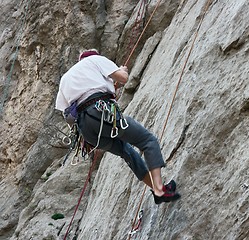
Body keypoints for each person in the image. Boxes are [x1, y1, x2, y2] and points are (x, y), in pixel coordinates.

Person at [55, 49, 180, 204]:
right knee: (147, 141)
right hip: (101, 112)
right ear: (94, 55)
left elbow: (66, 114)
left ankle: (157, 190)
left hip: (86, 129)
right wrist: (121, 71)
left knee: (127, 152)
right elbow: (123, 78)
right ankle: (161, 190)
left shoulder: (66, 79)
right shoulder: (95, 60)